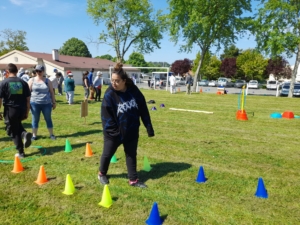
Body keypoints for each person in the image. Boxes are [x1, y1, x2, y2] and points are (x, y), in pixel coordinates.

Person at [98, 62, 155, 188]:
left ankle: (133, 180)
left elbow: (143, 108)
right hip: (114, 133)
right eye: (112, 80)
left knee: (131, 154)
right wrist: (116, 133)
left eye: (117, 81)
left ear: (124, 81)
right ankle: (102, 173)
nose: (114, 83)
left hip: (132, 130)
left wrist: (148, 127)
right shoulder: (109, 95)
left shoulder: (133, 91)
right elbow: (106, 117)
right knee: (107, 154)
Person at [0, 63, 32, 158]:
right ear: (17, 71)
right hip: (21, 109)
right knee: (17, 126)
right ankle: (24, 134)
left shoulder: (3, 83)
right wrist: (27, 111)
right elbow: (28, 99)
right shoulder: (23, 83)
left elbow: (0, 99)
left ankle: (21, 152)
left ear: (7, 72)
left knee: (13, 130)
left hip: (11, 110)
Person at [27, 65, 56, 140]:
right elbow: (27, 93)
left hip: (46, 104)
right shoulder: (31, 80)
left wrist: (54, 102)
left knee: (48, 119)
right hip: (34, 103)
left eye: (40, 71)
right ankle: (34, 136)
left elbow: (52, 92)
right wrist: (27, 104)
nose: (38, 73)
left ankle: (51, 135)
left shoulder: (47, 81)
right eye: (37, 71)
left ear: (43, 71)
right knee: (35, 119)